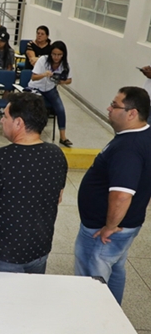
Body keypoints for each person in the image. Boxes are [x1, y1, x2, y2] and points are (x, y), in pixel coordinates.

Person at [0, 93, 68, 274]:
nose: (1, 120)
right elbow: (58, 197)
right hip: (39, 250)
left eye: (5, 116)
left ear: (18, 123)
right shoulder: (57, 154)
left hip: (2, 254)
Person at [75, 86, 151, 305]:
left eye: (115, 105)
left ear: (132, 113)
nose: (108, 108)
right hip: (127, 226)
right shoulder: (144, 135)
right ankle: (113, 315)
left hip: (104, 232)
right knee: (115, 269)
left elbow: (121, 195)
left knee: (91, 281)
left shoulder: (128, 147)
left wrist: (108, 227)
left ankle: (93, 323)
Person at [27, 41, 73, 147]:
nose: (56, 57)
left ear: (63, 55)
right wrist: (44, 74)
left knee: (60, 109)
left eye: (59, 55)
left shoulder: (65, 65)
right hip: (36, 87)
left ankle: (63, 137)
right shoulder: (43, 60)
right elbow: (33, 77)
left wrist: (62, 81)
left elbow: (69, 80)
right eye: (54, 54)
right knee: (39, 108)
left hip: (50, 88)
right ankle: (35, 135)